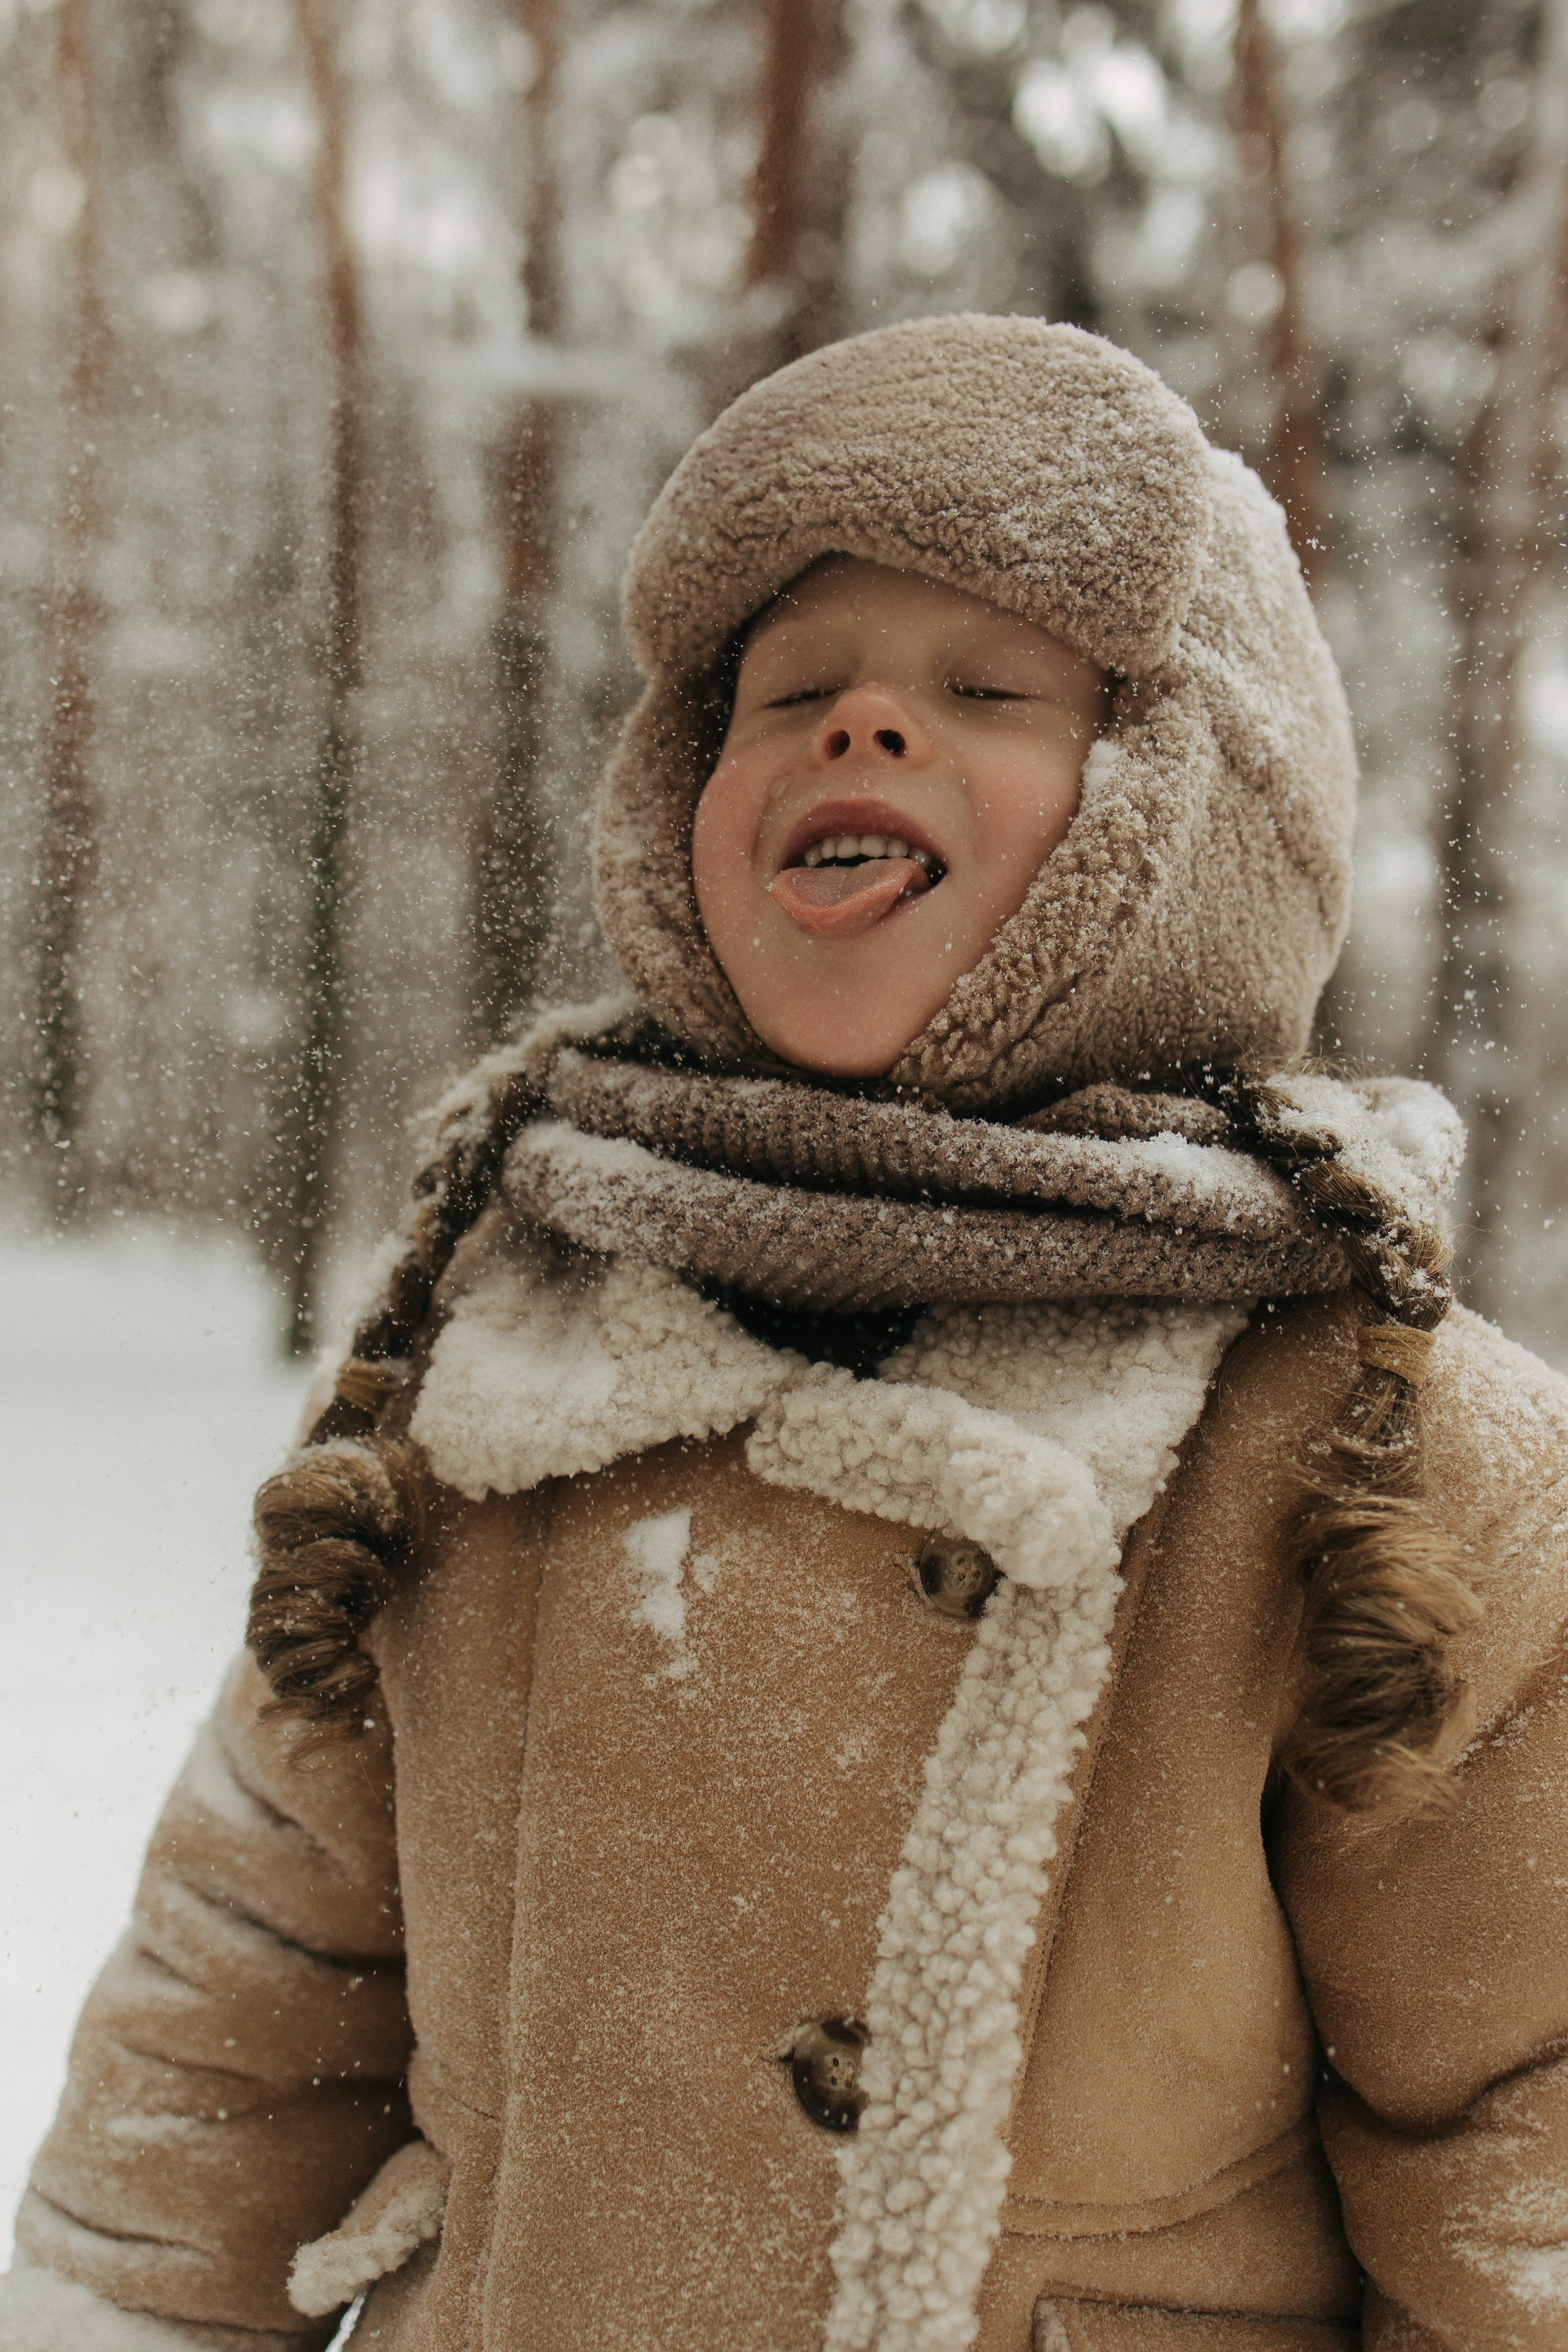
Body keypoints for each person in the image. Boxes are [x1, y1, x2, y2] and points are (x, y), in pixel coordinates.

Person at [6, 314, 1567, 2352]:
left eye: (987, 689)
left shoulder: (1374, 1438)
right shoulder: (494, 1353)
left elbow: (1520, 2133)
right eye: (789, 692)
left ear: (1190, 811)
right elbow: (240, 2003)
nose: (865, 731)